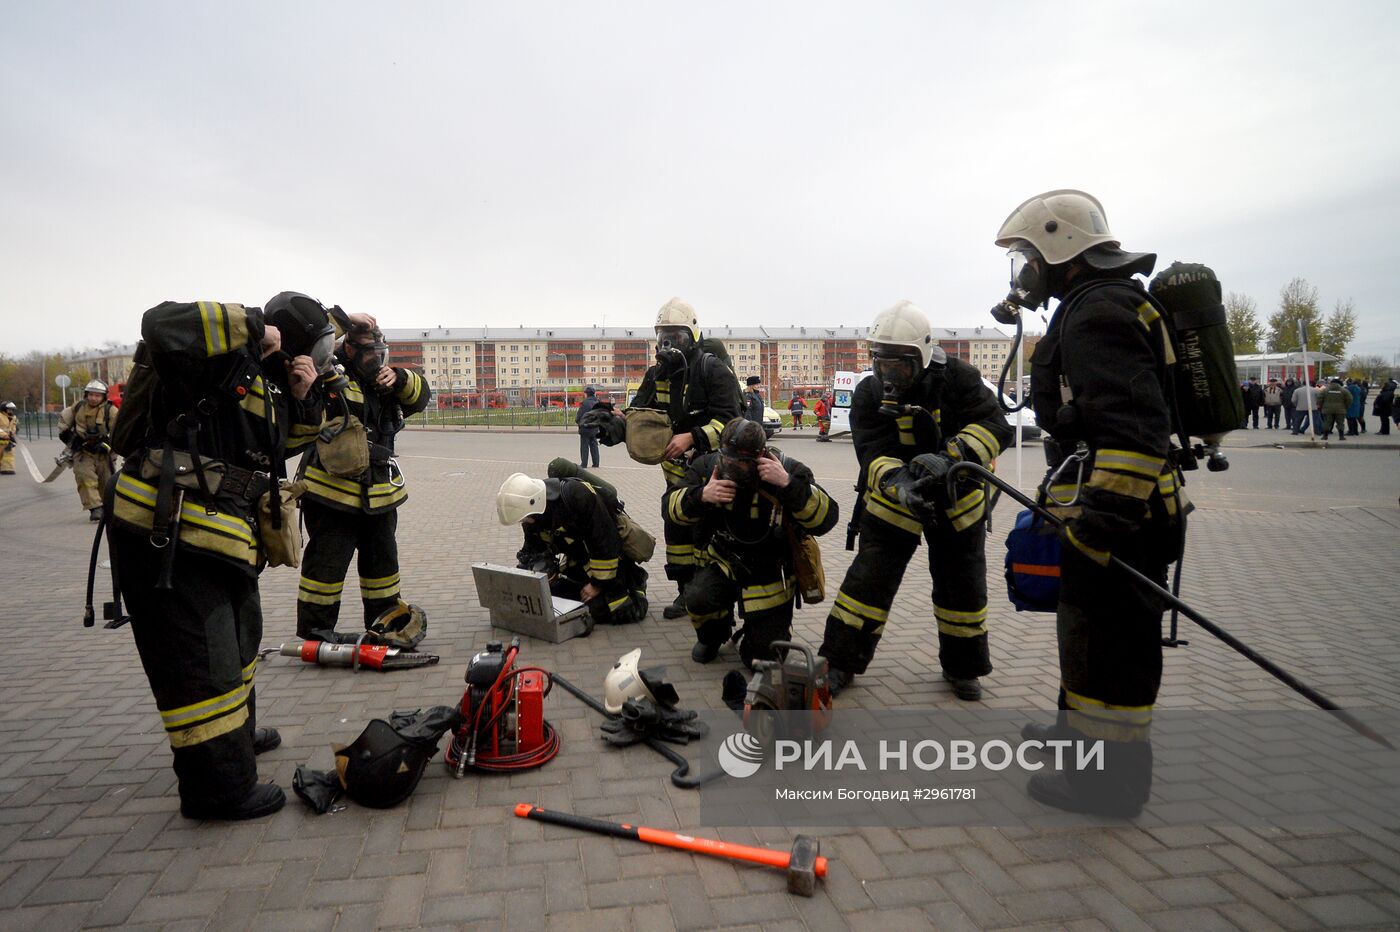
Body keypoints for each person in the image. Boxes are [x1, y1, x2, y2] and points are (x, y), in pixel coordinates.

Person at [994, 189, 1189, 817]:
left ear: (1063, 247)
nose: (1027, 270)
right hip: (1115, 515)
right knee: (1087, 641)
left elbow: (1134, 435)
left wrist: (1099, 529)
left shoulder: (1099, 311)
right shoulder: (1097, 301)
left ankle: (1111, 788)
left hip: (1122, 521)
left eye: (1030, 255)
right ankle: (1076, 737)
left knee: (1115, 656)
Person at [107, 298, 325, 819]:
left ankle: (235, 740)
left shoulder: (265, 380)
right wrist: (253, 324)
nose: (319, 357)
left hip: (221, 538)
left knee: (237, 643)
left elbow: (277, 446)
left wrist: (302, 395)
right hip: (168, 536)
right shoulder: (212, 354)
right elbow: (158, 323)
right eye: (316, 346)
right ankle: (217, 789)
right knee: (200, 659)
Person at [817, 300, 1013, 701]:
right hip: (897, 498)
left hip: (957, 498)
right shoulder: (868, 393)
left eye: (900, 365)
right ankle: (839, 661)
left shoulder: (958, 378)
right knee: (868, 582)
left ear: (922, 356)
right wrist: (899, 481)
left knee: (962, 586)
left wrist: (951, 457)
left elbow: (995, 426)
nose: (888, 374)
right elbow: (872, 450)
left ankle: (963, 668)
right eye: (881, 362)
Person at [295, 299, 433, 647]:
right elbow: (304, 344)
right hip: (331, 494)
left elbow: (420, 397)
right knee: (326, 565)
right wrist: (341, 319)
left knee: (382, 565)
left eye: (380, 354)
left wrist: (401, 378)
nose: (376, 361)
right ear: (349, 350)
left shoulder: (386, 384)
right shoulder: (327, 373)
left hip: (379, 494)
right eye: (369, 354)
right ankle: (315, 631)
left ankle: (385, 621)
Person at [664, 418, 838, 665]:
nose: (731, 466)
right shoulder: (707, 467)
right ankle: (713, 636)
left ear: (761, 455)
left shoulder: (787, 470)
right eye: (727, 459)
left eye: (741, 462)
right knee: (698, 597)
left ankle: (765, 632)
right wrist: (701, 495)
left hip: (769, 572)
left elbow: (827, 519)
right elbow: (669, 509)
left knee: (762, 659)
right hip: (723, 560)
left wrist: (788, 484)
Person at [615, 298, 743, 619]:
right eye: (664, 338)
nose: (669, 345)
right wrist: (614, 424)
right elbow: (640, 416)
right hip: (675, 477)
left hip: (711, 474)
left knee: (708, 536)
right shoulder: (657, 374)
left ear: (694, 337)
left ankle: (714, 599)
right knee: (677, 534)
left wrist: (693, 436)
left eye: (677, 337)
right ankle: (686, 593)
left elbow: (731, 421)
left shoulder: (712, 370)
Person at [497, 472, 648, 627]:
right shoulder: (534, 517)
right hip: (580, 562)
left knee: (615, 611)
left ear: (534, 504)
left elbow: (606, 542)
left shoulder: (576, 496)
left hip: (612, 564)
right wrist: (526, 575)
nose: (524, 522)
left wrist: (596, 585)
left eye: (524, 518)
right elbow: (533, 549)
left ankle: (635, 580)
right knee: (554, 598)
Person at [58, 380, 119, 520]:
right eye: (91, 394)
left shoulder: (111, 411)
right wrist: (73, 440)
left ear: (104, 397)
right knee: (84, 477)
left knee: (106, 482)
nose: (93, 398)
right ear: (86, 394)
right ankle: (95, 508)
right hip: (82, 452)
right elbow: (63, 425)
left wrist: (106, 444)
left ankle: (106, 507)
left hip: (104, 454)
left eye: (97, 395)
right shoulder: (77, 407)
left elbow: (118, 432)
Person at [576, 386, 601, 468]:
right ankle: (596, 463)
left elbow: (579, 416)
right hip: (594, 427)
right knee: (594, 445)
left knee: (584, 446)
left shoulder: (585, 403)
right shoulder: (597, 402)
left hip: (585, 428)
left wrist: (578, 422)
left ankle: (584, 464)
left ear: (586, 394)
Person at [0, 402, 16, 475]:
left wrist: (12, 434)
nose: (11, 411)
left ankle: (7, 469)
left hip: (8, 440)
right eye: (9, 410)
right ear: (4, 409)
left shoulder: (13, 418)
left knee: (8, 454)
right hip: (1, 438)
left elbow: (13, 427)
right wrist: (3, 435)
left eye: (12, 410)